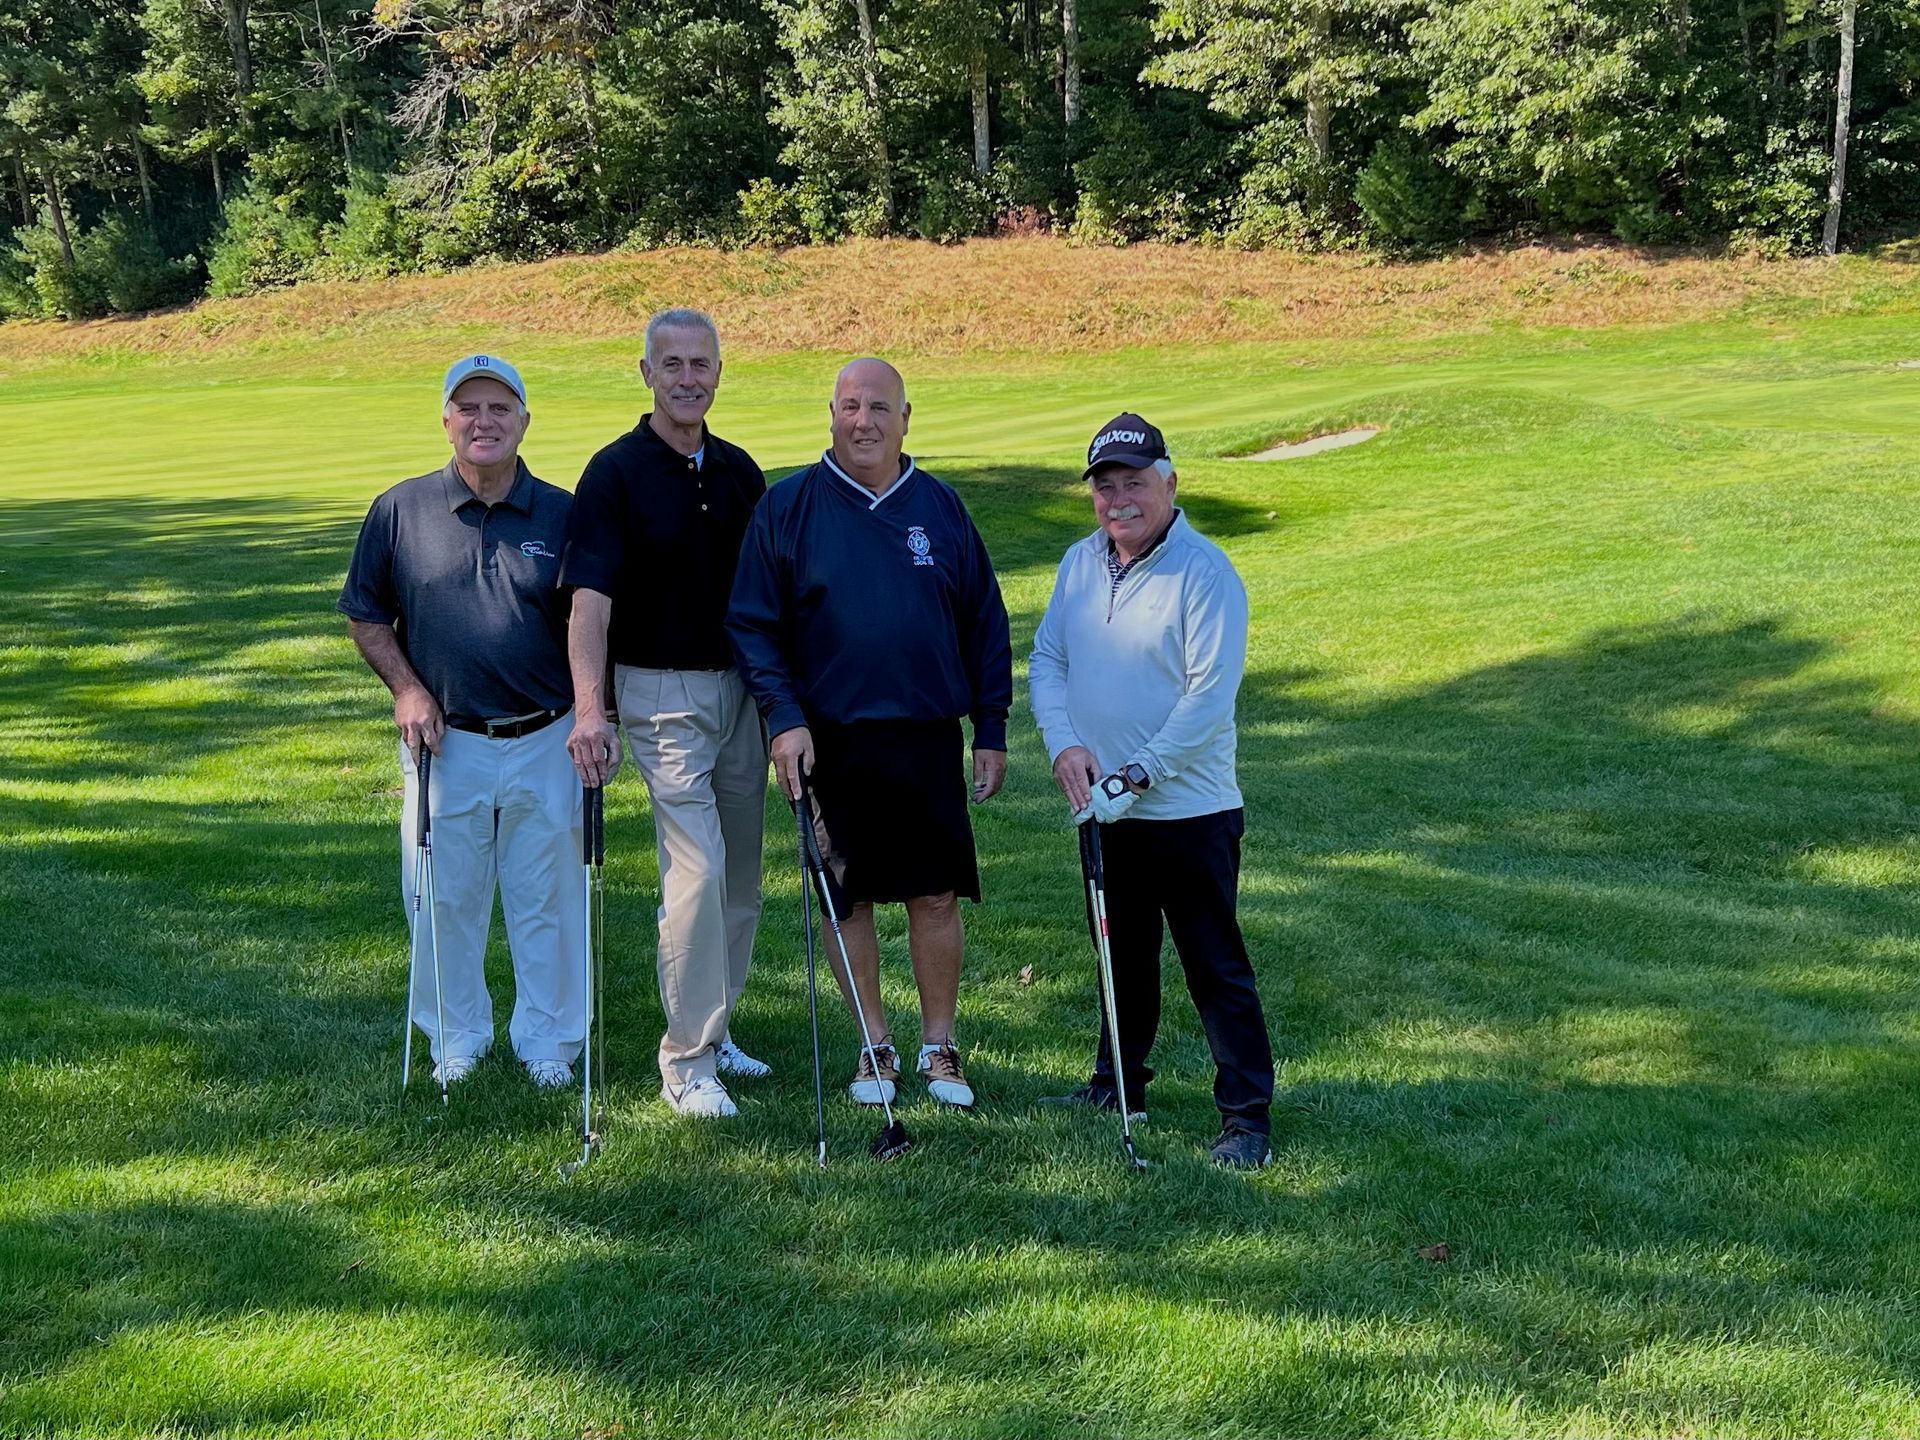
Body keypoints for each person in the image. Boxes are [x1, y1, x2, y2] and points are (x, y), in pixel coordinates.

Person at [727, 357, 1012, 1111]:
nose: (864, 421)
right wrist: (782, 719)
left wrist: (991, 725)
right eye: (851, 406)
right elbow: (753, 628)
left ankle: (938, 1045)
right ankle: (875, 1045)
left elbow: (984, 620)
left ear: (906, 417)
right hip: (828, 740)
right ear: (830, 414)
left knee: (935, 895)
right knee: (845, 899)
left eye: (879, 407)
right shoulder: (788, 507)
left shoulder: (942, 508)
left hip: (924, 734)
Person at [1029, 412, 1277, 1169]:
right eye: (1105, 487)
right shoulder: (1079, 563)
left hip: (1187, 809)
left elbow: (1207, 700)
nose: (1118, 500)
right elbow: (1047, 660)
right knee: (1120, 956)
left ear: (1169, 483)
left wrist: (1139, 772)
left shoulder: (1205, 573)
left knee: (1214, 964)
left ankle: (1246, 1118)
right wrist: (1065, 746)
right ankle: (1116, 1085)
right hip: (1102, 806)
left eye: (1134, 483)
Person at [338, 354, 583, 1089]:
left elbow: (591, 623)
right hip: (445, 742)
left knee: (548, 899)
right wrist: (406, 689)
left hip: (546, 735)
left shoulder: (563, 513)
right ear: (446, 419)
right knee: (441, 897)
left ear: (524, 421)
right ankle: (457, 1037)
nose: (484, 422)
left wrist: (592, 712)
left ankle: (549, 1044)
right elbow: (365, 613)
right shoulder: (401, 508)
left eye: (499, 409)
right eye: (468, 408)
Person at [560, 309, 771, 1120]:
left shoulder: (739, 471)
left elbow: (765, 597)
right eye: (672, 363)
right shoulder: (615, 473)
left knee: (742, 882)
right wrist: (591, 709)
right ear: (646, 373)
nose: (689, 378)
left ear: (719, 372)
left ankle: (715, 1033)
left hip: (740, 696)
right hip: (659, 696)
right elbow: (588, 606)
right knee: (699, 872)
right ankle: (684, 1062)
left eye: (702, 364)